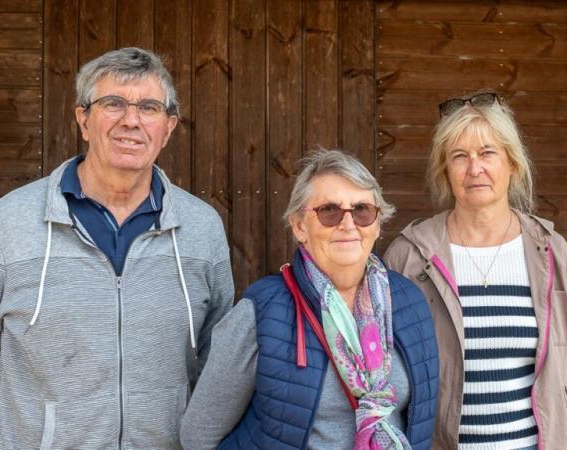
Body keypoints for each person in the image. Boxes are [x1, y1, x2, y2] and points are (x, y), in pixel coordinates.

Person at [0, 47, 234, 449]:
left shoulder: (201, 227)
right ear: (83, 119)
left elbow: (216, 355)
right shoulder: (12, 220)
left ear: (168, 127)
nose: (131, 121)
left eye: (149, 107)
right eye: (113, 103)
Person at [180, 149, 439, 450]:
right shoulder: (261, 311)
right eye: (329, 211)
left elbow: (419, 422)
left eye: (362, 210)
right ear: (300, 226)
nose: (348, 224)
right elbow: (199, 435)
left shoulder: (408, 302)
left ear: (378, 224)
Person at [384, 91, 567, 449]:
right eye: (460, 156)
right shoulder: (409, 257)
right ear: (445, 169)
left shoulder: (551, 252)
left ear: (512, 162)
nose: (475, 168)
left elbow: (566, 359)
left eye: (487, 152)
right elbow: (389, 370)